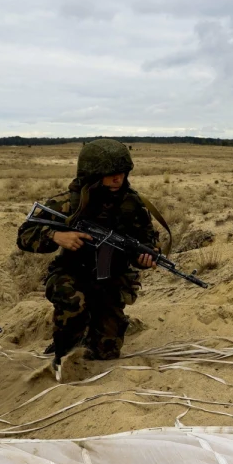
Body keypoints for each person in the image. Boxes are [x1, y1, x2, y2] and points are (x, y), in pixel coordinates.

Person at [17, 139, 159, 376]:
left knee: (107, 351)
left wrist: (143, 258)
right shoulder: (68, 203)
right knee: (73, 306)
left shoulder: (132, 205)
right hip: (72, 273)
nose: (118, 178)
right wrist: (55, 236)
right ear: (93, 174)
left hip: (112, 278)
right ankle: (64, 343)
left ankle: (92, 332)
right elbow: (24, 235)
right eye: (110, 173)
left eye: (122, 173)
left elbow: (146, 243)